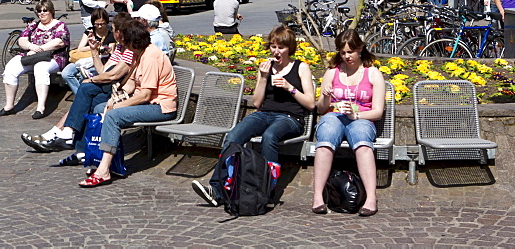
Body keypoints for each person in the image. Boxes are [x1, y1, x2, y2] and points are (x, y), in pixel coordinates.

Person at [192, 25, 315, 207]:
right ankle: (216, 189)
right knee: (234, 136)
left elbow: (311, 103)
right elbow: (257, 103)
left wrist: (290, 87)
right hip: (264, 114)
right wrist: (264, 78)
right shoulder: (265, 66)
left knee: (270, 137)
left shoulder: (300, 67)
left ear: (289, 48)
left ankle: (265, 190)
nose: (276, 51)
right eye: (273, 47)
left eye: (281, 47)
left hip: (290, 118)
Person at [79, 18, 176, 187]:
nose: (121, 43)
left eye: (123, 40)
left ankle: (104, 170)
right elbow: (131, 85)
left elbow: (145, 95)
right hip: (147, 103)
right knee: (100, 107)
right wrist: (114, 99)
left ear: (132, 41)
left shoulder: (150, 57)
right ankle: (104, 158)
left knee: (113, 115)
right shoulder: (139, 55)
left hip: (160, 106)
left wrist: (117, 106)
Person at [24, 13, 136, 157]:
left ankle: (63, 134)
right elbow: (103, 70)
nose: (110, 31)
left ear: (119, 32)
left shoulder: (129, 50)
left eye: (112, 29)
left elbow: (113, 75)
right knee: (87, 99)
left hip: (118, 89)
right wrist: (94, 51)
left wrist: (93, 80)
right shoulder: (120, 48)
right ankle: (68, 141)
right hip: (108, 86)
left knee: (86, 89)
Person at [311, 29, 385, 217]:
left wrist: (356, 115)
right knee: (326, 136)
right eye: (342, 53)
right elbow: (320, 109)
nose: (346, 56)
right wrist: (326, 97)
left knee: (362, 140)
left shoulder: (372, 73)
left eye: (350, 52)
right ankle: (318, 196)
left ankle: (371, 198)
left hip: (361, 118)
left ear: (359, 49)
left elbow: (377, 111)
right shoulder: (332, 72)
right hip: (335, 116)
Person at [0, 0, 70, 119]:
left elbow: (60, 42)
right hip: (32, 55)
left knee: (40, 68)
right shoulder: (33, 25)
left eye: (45, 10)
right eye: (39, 11)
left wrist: (40, 49)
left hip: (53, 57)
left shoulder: (60, 25)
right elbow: (22, 39)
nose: (42, 13)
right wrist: (31, 47)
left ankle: (40, 107)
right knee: (10, 68)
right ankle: (9, 106)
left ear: (51, 11)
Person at [60, 8, 114, 94]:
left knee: (83, 76)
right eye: (97, 24)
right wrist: (94, 47)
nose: (99, 26)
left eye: (102, 24)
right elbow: (80, 48)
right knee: (66, 73)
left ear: (106, 22)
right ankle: (80, 95)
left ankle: (82, 96)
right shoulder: (90, 31)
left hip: (98, 62)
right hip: (83, 60)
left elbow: (111, 51)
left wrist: (101, 49)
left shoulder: (110, 34)